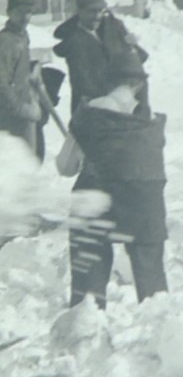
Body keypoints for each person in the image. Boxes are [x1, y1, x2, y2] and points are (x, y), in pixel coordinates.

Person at [67, 54, 168, 309]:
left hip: (99, 195)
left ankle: (87, 311)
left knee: (89, 249)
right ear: (139, 84)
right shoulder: (151, 118)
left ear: (107, 82)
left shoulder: (90, 112)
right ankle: (158, 315)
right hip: (145, 200)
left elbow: (65, 166)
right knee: (149, 263)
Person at [53, 0, 151, 116]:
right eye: (91, 11)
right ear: (79, 12)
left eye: (100, 11)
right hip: (94, 111)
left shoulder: (112, 28)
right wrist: (114, 98)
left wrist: (132, 47)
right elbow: (83, 84)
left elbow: (137, 62)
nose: (97, 16)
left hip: (124, 105)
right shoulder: (75, 42)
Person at [0, 0, 40, 153]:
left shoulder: (23, 36)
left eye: (29, 12)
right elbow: (1, 81)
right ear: (9, 12)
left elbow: (19, 67)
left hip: (24, 108)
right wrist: (19, 108)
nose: (26, 17)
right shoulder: (5, 41)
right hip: (11, 113)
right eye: (21, 12)